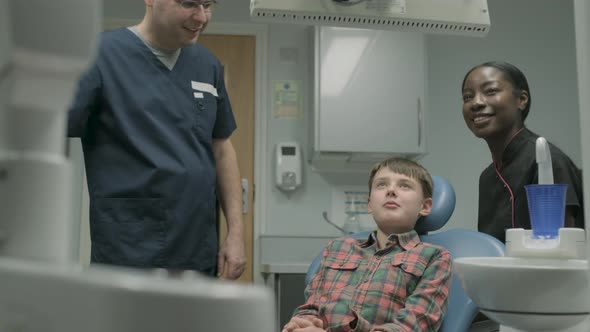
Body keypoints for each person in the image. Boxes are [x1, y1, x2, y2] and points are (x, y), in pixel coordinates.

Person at [67, 0, 246, 279]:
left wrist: (236, 233)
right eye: (189, 3)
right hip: (128, 247)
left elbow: (222, 149)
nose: (201, 16)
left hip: (196, 248)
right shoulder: (100, 55)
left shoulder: (207, 65)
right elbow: (49, 130)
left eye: (208, 5)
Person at [283, 158, 452, 332]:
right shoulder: (338, 247)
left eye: (404, 185)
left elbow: (413, 325)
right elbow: (312, 307)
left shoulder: (435, 257)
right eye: (382, 185)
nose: (391, 190)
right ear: (370, 203)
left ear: (425, 206)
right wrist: (303, 323)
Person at [461, 61, 584, 243]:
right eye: (467, 97)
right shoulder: (487, 177)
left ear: (521, 100)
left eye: (491, 91)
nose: (476, 103)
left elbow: (563, 252)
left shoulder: (548, 162)